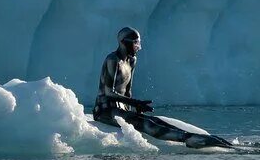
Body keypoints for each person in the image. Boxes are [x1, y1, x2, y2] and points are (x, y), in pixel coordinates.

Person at [93, 27, 232, 148]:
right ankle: (189, 139)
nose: (137, 47)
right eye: (135, 43)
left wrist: (135, 109)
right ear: (124, 43)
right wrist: (135, 103)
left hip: (121, 109)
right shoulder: (113, 60)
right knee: (147, 124)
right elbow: (108, 92)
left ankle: (195, 137)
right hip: (105, 110)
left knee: (156, 121)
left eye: (138, 43)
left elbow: (128, 90)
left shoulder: (132, 60)